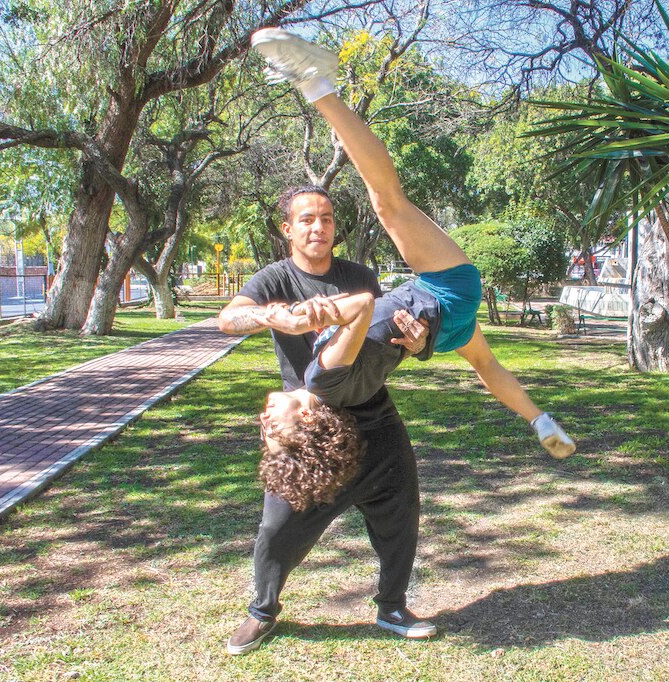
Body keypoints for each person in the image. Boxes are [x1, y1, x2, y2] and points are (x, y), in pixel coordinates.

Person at [249, 27, 575, 462]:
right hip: (444, 292)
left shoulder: (345, 394)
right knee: (388, 202)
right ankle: (314, 81)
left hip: (441, 328)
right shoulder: (322, 381)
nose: (263, 417)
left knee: (485, 363)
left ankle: (538, 419)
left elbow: (387, 347)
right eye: (274, 424)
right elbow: (361, 308)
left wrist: (422, 348)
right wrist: (293, 317)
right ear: (307, 419)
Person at [219, 183, 436, 652]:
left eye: (327, 219)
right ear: (287, 229)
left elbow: (388, 332)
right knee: (278, 527)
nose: (318, 227)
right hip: (309, 427)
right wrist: (278, 315)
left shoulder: (360, 276)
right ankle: (262, 611)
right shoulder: (275, 279)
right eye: (307, 220)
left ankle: (392, 605)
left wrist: (418, 344)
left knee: (400, 512)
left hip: (373, 415)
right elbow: (228, 319)